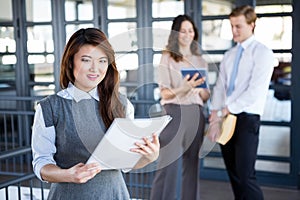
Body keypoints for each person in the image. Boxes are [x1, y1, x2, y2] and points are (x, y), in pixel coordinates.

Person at [31, 28, 160, 200]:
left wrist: (149, 157)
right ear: (71, 62)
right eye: (86, 60)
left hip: (114, 194)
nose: (95, 69)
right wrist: (68, 175)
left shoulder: (122, 104)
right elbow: (41, 163)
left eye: (102, 61)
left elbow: (126, 164)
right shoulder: (50, 108)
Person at [207, 5, 274, 200]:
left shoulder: (263, 53)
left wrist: (224, 110)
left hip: (246, 119)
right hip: (225, 118)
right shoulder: (229, 55)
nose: (234, 30)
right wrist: (215, 115)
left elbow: (254, 92)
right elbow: (220, 87)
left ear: (252, 25)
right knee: (234, 175)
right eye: (232, 26)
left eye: (238, 26)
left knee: (246, 177)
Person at [150, 15, 210, 200]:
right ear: (175, 33)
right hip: (175, 113)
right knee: (168, 165)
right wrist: (185, 87)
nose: (187, 34)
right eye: (182, 30)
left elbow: (206, 95)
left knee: (192, 166)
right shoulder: (167, 57)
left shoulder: (200, 60)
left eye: (190, 30)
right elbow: (165, 94)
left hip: (196, 113)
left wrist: (200, 92)